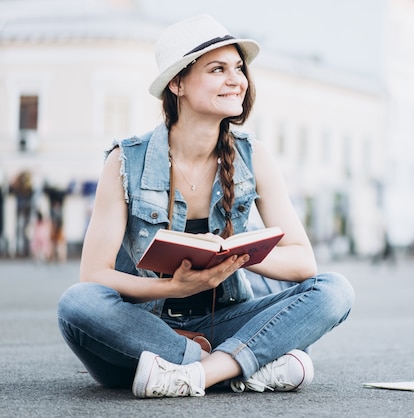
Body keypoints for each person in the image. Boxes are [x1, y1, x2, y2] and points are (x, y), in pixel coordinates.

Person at [57, 15, 354, 399]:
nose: (237, 80)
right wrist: (173, 286)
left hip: (223, 321)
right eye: (218, 69)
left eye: (239, 69)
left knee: (335, 290)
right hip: (143, 330)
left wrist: (237, 256)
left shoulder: (254, 155)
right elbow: (94, 275)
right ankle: (238, 365)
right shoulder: (124, 160)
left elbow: (302, 263)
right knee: (76, 305)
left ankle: (199, 374)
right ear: (177, 83)